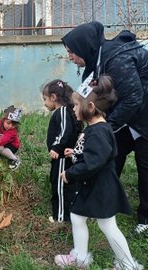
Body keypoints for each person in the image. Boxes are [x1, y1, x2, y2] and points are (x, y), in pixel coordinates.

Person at [62, 21, 148, 235]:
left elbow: (133, 98)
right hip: (127, 119)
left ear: (85, 47)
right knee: (109, 159)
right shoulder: (98, 61)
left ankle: (145, 218)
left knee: (145, 168)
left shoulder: (117, 59)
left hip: (144, 120)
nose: (70, 57)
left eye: (72, 52)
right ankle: (103, 205)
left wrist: (104, 127)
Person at [54, 75, 143, 270]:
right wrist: (77, 152)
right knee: (77, 217)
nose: (74, 109)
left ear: (91, 107)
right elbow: (96, 154)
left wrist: (70, 173)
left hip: (101, 187)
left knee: (108, 226)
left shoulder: (99, 132)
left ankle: (127, 264)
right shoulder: (96, 129)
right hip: (95, 184)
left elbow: (94, 162)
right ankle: (80, 257)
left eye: (77, 106)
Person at [42, 80, 82, 223]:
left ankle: (60, 217)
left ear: (53, 97)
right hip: (67, 156)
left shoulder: (63, 111)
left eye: (45, 99)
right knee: (67, 185)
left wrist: (56, 147)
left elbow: (65, 131)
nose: (45, 103)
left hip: (62, 158)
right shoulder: (67, 111)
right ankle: (70, 215)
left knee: (59, 185)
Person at [0, 105, 22, 170]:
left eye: (13, 125)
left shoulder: (12, 131)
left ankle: (14, 159)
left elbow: (3, 140)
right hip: (1, 141)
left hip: (12, 146)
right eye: (8, 123)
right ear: (4, 119)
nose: (10, 126)